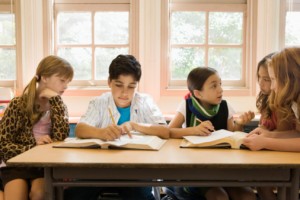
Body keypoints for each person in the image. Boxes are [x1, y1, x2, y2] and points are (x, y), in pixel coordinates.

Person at [64, 54, 169, 200]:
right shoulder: (99, 102)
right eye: (119, 85)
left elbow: (164, 131)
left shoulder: (145, 101)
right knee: (73, 195)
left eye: (131, 86)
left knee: (140, 196)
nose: (125, 93)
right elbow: (80, 129)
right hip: (99, 169)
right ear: (109, 82)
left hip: (135, 170)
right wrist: (101, 133)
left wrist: (135, 125)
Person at [168, 67, 256, 200]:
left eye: (220, 84)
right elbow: (169, 132)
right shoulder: (186, 105)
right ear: (198, 94)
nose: (220, 89)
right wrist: (193, 130)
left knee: (248, 196)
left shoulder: (226, 106)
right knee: (219, 197)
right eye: (214, 86)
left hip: (225, 168)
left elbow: (234, 136)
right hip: (197, 169)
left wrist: (240, 124)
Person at [0, 55, 74, 200]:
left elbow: (61, 136)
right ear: (45, 78)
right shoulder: (17, 105)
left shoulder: (58, 106)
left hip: (42, 166)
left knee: (39, 194)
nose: (66, 86)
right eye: (62, 80)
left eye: (68, 82)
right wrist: (33, 147)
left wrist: (56, 100)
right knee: (16, 196)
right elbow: (3, 145)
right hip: (16, 164)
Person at [243, 47, 300, 151]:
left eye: (272, 79)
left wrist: (266, 142)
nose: (272, 87)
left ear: (289, 79)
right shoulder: (295, 102)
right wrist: (269, 135)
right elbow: (298, 134)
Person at [252, 53, 277, 200]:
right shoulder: (266, 99)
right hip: (266, 153)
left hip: (278, 155)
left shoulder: (283, 104)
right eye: (259, 77)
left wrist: (267, 134)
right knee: (259, 183)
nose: (261, 83)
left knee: (262, 182)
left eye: (267, 79)